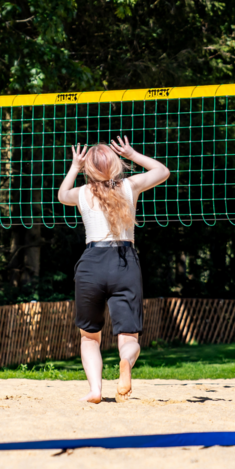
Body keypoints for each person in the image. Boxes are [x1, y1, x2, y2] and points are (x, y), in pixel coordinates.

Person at [58, 135, 170, 404]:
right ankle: (125, 363)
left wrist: (75, 166)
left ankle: (95, 390)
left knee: (89, 338)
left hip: (91, 264)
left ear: (89, 170)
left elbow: (62, 196)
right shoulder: (130, 186)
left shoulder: (82, 193)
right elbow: (162, 171)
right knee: (128, 336)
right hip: (124, 261)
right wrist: (132, 153)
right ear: (117, 164)